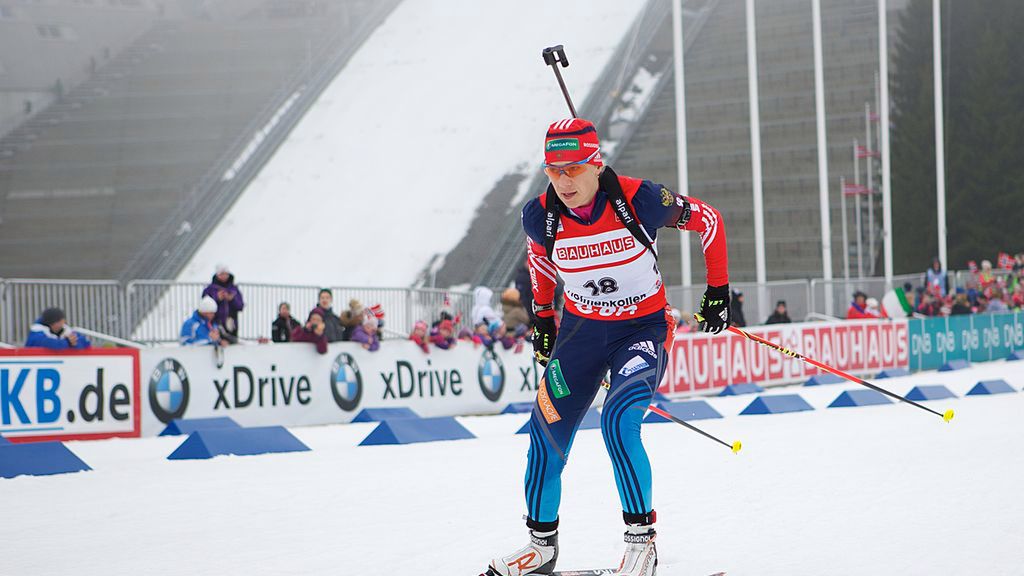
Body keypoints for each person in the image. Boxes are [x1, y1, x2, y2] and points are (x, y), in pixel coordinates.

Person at [484, 118, 730, 576]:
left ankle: (642, 545)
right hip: (579, 334)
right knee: (544, 434)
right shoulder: (540, 214)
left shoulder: (640, 198)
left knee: (619, 420)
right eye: (554, 170)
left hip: (642, 330)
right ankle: (541, 547)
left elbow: (709, 220)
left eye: (574, 168)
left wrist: (718, 292)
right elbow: (539, 258)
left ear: (596, 163)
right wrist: (542, 315)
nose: (564, 180)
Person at [202, 264, 244, 338]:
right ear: (217, 275)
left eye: (226, 274)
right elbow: (204, 305)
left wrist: (232, 299)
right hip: (214, 323)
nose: (224, 276)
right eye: (222, 274)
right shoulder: (210, 289)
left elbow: (240, 306)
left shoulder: (234, 289)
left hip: (231, 323)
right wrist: (217, 298)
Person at [25, 308, 91, 349]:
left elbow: (85, 343)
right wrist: (67, 343)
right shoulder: (37, 331)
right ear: (51, 323)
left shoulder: (65, 330)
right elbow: (45, 343)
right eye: (59, 322)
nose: (62, 324)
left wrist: (75, 343)